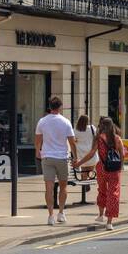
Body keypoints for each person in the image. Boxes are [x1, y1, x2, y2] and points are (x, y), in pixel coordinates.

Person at [35, 97, 77, 226]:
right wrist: (76, 156)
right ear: (60, 107)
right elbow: (72, 142)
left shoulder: (42, 121)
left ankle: (50, 216)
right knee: (63, 186)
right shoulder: (65, 122)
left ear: (49, 106)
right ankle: (61, 212)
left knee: (49, 187)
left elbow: (37, 139)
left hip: (47, 156)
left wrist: (38, 151)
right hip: (62, 157)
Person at [94, 117, 124, 229]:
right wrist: (120, 168)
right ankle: (109, 222)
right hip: (114, 169)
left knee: (102, 190)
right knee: (113, 194)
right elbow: (122, 155)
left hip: (102, 168)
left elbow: (92, 153)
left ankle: (101, 215)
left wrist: (79, 163)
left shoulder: (99, 139)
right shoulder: (117, 139)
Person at [72, 114, 98, 192]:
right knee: (90, 169)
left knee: (83, 170)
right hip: (91, 153)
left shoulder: (76, 130)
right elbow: (96, 137)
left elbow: (73, 140)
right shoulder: (92, 128)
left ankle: (85, 184)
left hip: (81, 153)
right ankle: (88, 181)